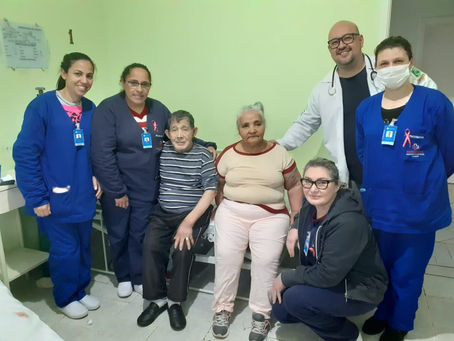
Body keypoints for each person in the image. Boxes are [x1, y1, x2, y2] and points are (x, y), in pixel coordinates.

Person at [356, 36, 454, 341]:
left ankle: (400, 322)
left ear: (410, 64)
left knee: (408, 272)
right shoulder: (366, 109)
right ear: (376, 68)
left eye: (398, 61)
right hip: (379, 205)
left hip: (419, 208)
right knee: (381, 267)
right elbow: (364, 152)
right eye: (384, 63)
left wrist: (425, 180)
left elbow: (450, 152)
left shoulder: (434, 103)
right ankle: (382, 313)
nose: (391, 68)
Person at [91, 63, 216, 298]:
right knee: (118, 233)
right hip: (118, 186)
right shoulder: (108, 109)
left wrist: (207, 144)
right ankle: (124, 276)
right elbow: (102, 153)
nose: (139, 88)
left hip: (148, 188)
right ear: (123, 83)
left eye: (144, 83)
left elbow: (179, 133)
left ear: (149, 86)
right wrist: (117, 191)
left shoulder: (158, 109)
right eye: (133, 82)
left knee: (139, 234)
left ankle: (138, 276)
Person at [277, 20, 436, 186]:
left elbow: (428, 89)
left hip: (397, 172)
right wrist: (278, 145)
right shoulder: (323, 90)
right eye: (334, 42)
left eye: (347, 38)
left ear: (360, 40)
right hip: (351, 179)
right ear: (330, 49)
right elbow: (305, 124)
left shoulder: (385, 66)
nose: (341, 45)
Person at [13, 52, 102, 319]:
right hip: (54, 196)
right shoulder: (42, 106)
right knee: (65, 249)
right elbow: (25, 154)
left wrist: (95, 174)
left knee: (84, 246)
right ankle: (65, 297)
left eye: (89, 76)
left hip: (83, 193)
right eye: (78, 73)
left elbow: (94, 149)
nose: (84, 80)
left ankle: (80, 290)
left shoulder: (90, 108)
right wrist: (37, 198)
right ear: (64, 73)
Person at [211, 102, 303, 341]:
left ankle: (261, 315)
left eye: (257, 123)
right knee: (227, 256)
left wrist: (297, 214)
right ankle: (222, 308)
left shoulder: (279, 153)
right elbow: (219, 186)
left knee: (267, 261)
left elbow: (294, 185)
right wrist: (219, 208)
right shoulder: (228, 154)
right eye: (245, 125)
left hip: (271, 216)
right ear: (238, 129)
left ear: (264, 125)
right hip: (232, 212)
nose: (252, 129)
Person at [270, 157, 388, 341]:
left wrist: (287, 277)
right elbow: (303, 214)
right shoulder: (313, 203)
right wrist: (294, 228)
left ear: (337, 185)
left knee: (294, 299)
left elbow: (327, 275)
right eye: (307, 181)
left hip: (358, 288)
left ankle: (346, 335)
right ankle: (325, 309)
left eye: (322, 182)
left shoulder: (348, 222)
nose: (313, 188)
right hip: (330, 276)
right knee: (280, 310)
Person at [137, 110, 217, 331]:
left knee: (182, 250)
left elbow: (210, 191)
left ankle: (175, 302)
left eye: (185, 129)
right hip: (163, 211)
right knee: (151, 246)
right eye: (174, 129)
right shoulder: (162, 152)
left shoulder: (203, 155)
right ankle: (158, 300)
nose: (180, 135)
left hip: (192, 213)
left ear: (194, 132)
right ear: (167, 134)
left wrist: (188, 223)